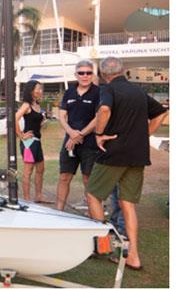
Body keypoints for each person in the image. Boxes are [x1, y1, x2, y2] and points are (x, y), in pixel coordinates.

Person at [86, 57, 167, 271]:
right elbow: (161, 113)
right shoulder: (138, 91)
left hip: (114, 152)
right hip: (137, 154)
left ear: (103, 75)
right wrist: (142, 135)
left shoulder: (108, 89)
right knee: (127, 203)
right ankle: (134, 256)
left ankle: (103, 246)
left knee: (93, 194)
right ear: (123, 71)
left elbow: (104, 111)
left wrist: (99, 134)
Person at [55, 60, 100, 210]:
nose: (85, 76)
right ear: (76, 75)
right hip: (70, 142)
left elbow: (98, 117)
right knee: (64, 177)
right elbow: (62, 115)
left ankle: (92, 213)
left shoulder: (98, 92)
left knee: (88, 179)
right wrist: (71, 133)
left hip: (90, 143)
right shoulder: (69, 92)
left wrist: (80, 134)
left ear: (92, 75)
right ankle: (59, 211)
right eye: (81, 73)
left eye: (88, 73)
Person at [15, 80, 48, 203]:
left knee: (41, 169)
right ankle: (27, 199)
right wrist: (21, 135)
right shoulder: (26, 105)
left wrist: (42, 122)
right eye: (37, 89)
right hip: (28, 143)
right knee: (28, 171)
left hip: (37, 141)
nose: (40, 91)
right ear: (31, 91)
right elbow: (14, 118)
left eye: (41, 88)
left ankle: (38, 196)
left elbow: (35, 122)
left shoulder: (37, 105)